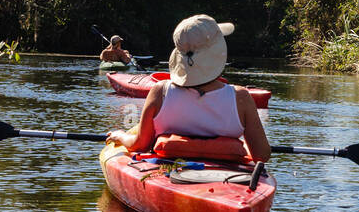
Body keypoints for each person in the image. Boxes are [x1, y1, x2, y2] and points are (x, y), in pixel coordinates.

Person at [106, 15, 270, 163]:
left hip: (171, 170)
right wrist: (237, 148)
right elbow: (261, 155)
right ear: (217, 53)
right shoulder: (241, 97)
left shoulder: (160, 92)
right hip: (230, 180)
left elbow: (140, 145)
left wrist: (120, 136)